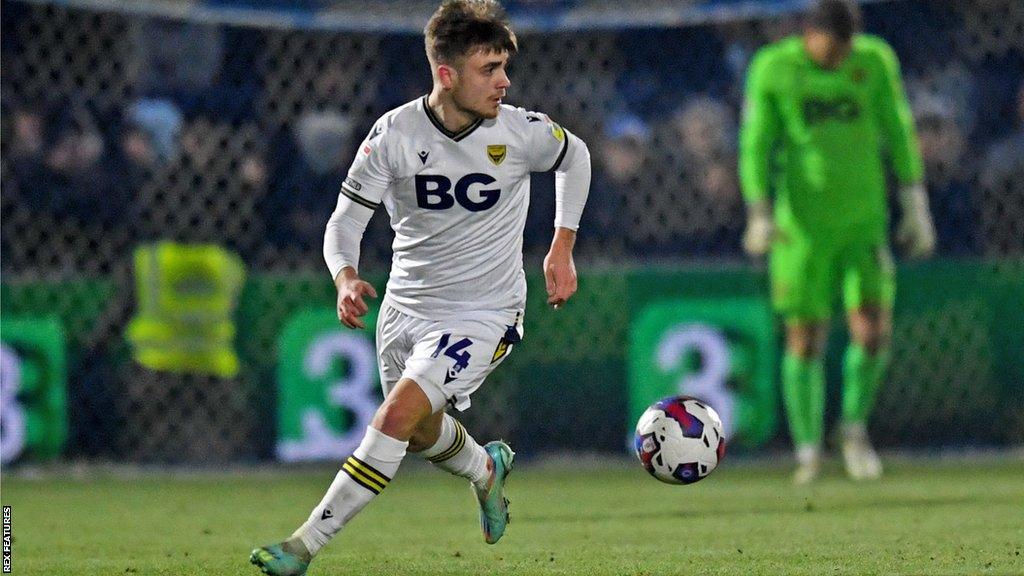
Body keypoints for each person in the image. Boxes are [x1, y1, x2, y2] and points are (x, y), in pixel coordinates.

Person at [250, 1, 591, 574]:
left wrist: (562, 245)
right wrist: (345, 276)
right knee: (419, 431)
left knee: (394, 417)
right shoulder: (394, 134)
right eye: (490, 69)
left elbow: (574, 155)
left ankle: (302, 546)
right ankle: (484, 468)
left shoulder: (519, 130)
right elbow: (345, 221)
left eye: (505, 67)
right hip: (406, 310)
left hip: (485, 311)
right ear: (446, 74)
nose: (504, 82)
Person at [738, 0, 936, 484]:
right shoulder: (774, 68)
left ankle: (852, 429)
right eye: (834, 47)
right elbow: (756, 143)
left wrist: (914, 203)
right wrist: (759, 212)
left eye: (849, 46)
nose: (842, 57)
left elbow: (898, 128)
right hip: (801, 229)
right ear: (810, 34)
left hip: (864, 221)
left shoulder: (874, 61)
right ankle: (808, 450)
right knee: (805, 338)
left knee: (872, 331)